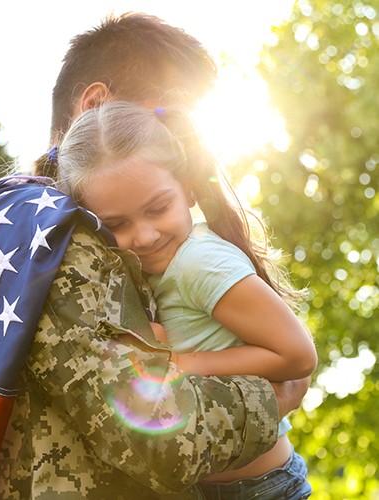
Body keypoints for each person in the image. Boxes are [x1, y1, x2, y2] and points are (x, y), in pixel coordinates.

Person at [0, 13, 309, 499]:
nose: (178, 145)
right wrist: (268, 398)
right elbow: (158, 437)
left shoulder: (22, 228)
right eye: (160, 118)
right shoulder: (56, 237)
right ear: (95, 105)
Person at [54, 100, 316, 499]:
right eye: (117, 225)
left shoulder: (198, 261)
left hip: (262, 488)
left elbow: (297, 356)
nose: (143, 236)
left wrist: (187, 364)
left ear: (188, 188)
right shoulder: (154, 270)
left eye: (158, 208)